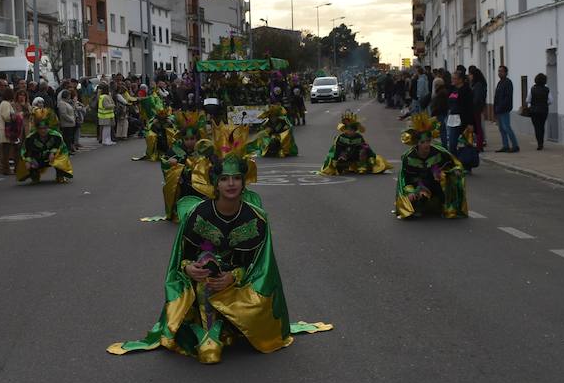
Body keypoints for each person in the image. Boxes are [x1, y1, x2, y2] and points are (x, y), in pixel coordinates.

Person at [108, 124, 332, 364]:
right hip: (201, 284)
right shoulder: (197, 214)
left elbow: (261, 268)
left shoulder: (256, 218)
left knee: (242, 301)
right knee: (205, 293)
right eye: (224, 178)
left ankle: (228, 327)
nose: (231, 184)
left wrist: (233, 276)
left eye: (236, 178)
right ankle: (208, 332)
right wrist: (189, 269)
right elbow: (182, 258)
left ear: (244, 180)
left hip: (241, 285)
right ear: (215, 182)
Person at [393, 113, 468, 219]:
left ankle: (446, 205)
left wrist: (454, 172)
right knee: (416, 198)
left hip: (435, 184)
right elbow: (406, 179)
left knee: (449, 180)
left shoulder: (438, 152)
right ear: (417, 143)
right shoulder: (409, 157)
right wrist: (411, 191)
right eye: (423, 142)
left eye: (428, 141)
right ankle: (418, 206)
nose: (426, 145)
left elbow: (451, 165)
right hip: (417, 185)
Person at [147, 111, 216, 222]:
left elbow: (214, 164)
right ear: (182, 139)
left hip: (202, 184)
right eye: (187, 139)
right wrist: (170, 163)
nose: (190, 142)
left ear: (197, 138)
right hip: (184, 184)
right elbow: (165, 162)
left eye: (192, 139)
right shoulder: (176, 149)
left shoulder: (205, 149)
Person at [319, 111, 391, 175]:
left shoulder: (358, 137)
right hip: (345, 155)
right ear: (345, 129)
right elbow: (336, 149)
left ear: (355, 130)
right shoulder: (340, 137)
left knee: (363, 151)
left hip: (356, 155)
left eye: (352, 130)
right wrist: (335, 160)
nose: (350, 132)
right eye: (348, 129)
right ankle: (342, 166)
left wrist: (372, 156)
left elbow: (365, 147)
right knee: (340, 160)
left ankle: (361, 167)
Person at [17, 107, 74, 184]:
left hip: (53, 158)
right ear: (37, 129)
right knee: (28, 163)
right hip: (38, 158)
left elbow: (60, 147)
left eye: (45, 128)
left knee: (60, 158)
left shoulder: (55, 135)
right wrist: (28, 160)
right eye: (41, 128)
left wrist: (52, 152)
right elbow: (27, 151)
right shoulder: (31, 138)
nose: (43, 130)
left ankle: (60, 174)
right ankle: (34, 176)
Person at [493, 65, 518, 153]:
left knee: (507, 127)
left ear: (506, 73)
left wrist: (501, 106)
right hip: (498, 109)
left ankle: (515, 145)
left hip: (504, 109)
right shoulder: (500, 83)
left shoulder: (508, 82)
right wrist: (495, 109)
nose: (499, 73)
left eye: (501, 71)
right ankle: (505, 145)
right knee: (501, 129)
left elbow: (507, 97)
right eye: (499, 71)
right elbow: (496, 97)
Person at [526, 73, 550, 151]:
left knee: (537, 127)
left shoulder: (532, 89)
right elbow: (551, 100)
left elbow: (528, 100)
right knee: (542, 126)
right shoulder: (547, 89)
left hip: (534, 111)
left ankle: (539, 143)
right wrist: (545, 103)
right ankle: (541, 142)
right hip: (544, 110)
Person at [468, 67, 487, 151]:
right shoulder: (475, 84)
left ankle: (479, 145)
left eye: (470, 74)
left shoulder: (478, 85)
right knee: (477, 127)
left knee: (478, 127)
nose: (469, 76)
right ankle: (478, 144)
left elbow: (477, 98)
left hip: (476, 108)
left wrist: (472, 104)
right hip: (476, 108)